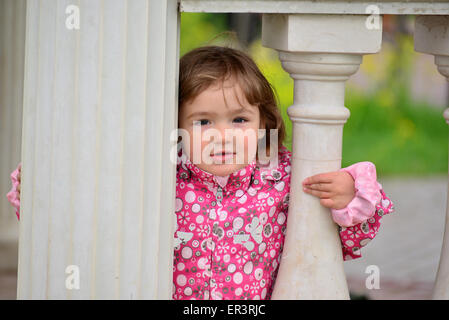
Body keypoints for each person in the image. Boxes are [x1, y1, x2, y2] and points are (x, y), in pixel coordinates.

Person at [7, 45, 394, 300]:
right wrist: (45, 193)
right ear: (174, 124)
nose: (222, 136)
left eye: (239, 119)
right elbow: (93, 219)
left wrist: (351, 196)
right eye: (203, 121)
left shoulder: (283, 176)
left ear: (264, 123)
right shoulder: (158, 177)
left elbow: (340, 240)